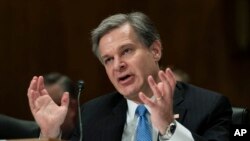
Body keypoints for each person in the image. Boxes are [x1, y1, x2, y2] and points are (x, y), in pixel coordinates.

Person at [27, 12, 232, 141]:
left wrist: (169, 128)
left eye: (126, 51)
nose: (118, 65)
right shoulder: (92, 114)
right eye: (108, 59)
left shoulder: (210, 107)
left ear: (155, 51)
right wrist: (50, 135)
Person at [0, 72, 77, 140]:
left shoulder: (86, 132)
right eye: (41, 105)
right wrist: (48, 133)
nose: (47, 114)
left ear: (72, 107)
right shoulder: (32, 133)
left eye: (53, 105)